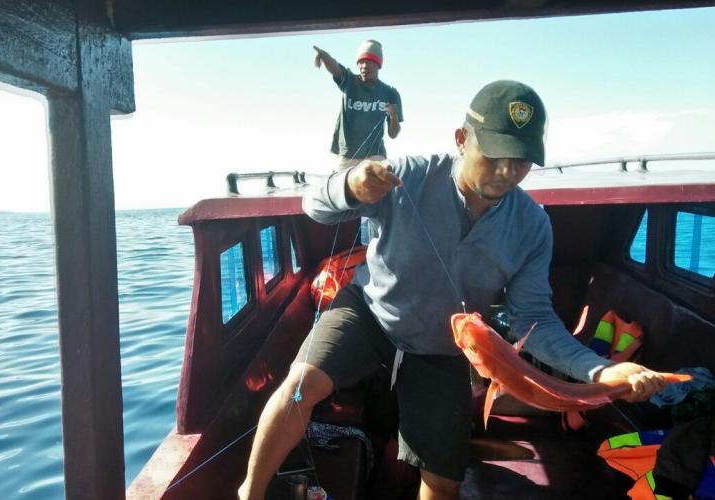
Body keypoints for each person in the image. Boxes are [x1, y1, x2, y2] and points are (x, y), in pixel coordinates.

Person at [238, 80, 670, 500]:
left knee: (444, 483)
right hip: (369, 314)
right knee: (299, 386)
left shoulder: (532, 225)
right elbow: (314, 206)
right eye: (495, 154)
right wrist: (349, 185)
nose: (506, 171)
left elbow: (534, 320)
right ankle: (248, 494)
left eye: (521, 160)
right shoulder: (408, 175)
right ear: (462, 138)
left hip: (445, 348)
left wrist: (600, 372)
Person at [314, 40, 403, 170]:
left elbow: (393, 134)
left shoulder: (390, 93)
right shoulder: (349, 81)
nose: (364, 66)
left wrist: (394, 115)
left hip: (376, 156)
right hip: (348, 156)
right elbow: (336, 68)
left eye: (370, 61)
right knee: (343, 189)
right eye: (361, 62)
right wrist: (324, 56)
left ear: (378, 65)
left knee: (383, 185)